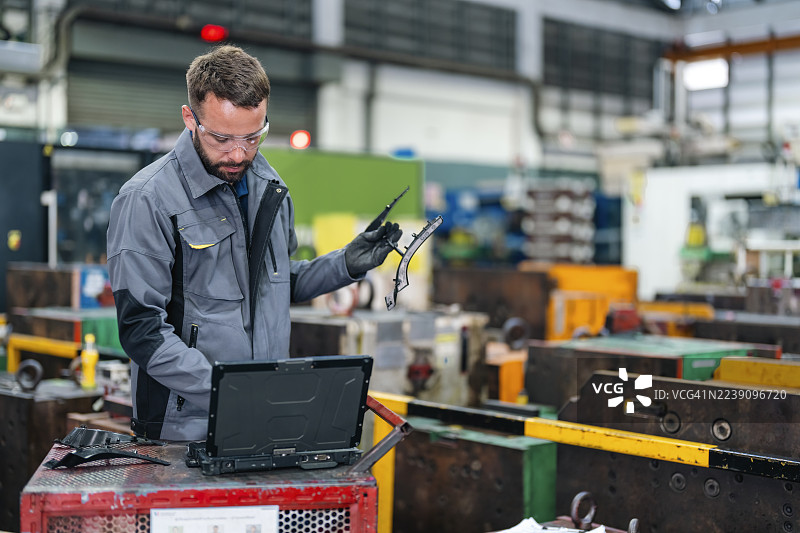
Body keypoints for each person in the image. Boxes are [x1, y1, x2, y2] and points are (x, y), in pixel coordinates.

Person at [107, 45, 400, 441]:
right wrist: (226, 393)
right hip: (184, 430)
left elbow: (274, 283)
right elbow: (141, 329)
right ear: (190, 119)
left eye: (253, 136)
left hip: (265, 415)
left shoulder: (269, 187)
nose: (239, 154)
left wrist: (344, 264)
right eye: (223, 138)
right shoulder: (148, 198)